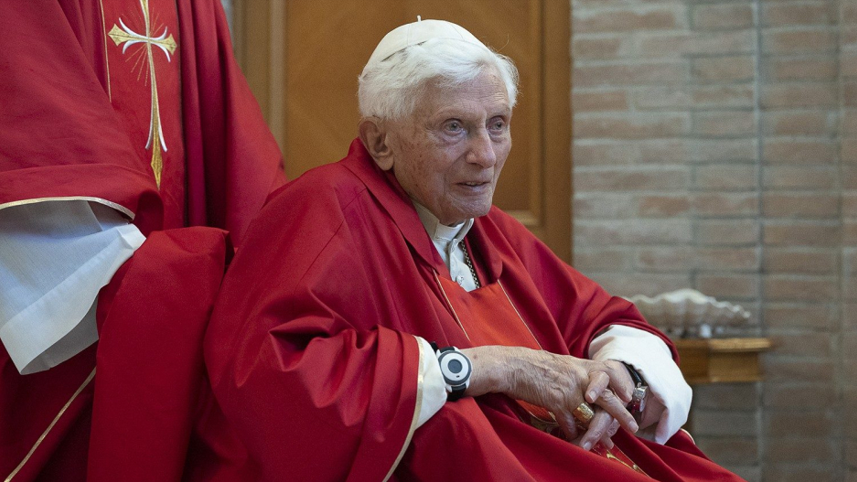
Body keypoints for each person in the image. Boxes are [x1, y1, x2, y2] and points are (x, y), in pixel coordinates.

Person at [205, 19, 743, 481]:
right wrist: (492, 367)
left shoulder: (483, 228)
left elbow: (603, 319)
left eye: (497, 125)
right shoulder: (322, 209)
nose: (485, 155)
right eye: (454, 127)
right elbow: (270, 374)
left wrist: (622, 378)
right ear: (380, 142)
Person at [0, 0, 285, 479]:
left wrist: (282, 262)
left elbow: (245, 160)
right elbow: (32, 132)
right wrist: (168, 287)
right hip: (95, 314)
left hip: (171, 294)